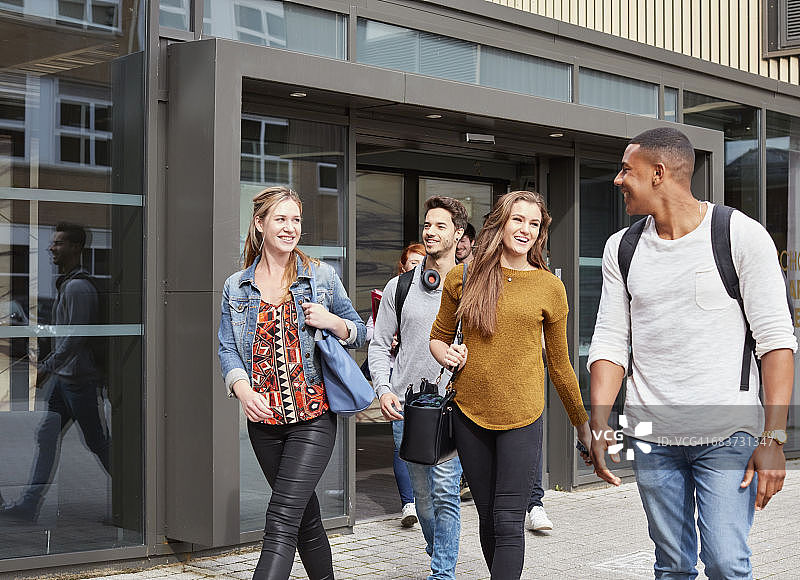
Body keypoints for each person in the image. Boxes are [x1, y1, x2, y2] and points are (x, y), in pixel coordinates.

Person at [587, 127, 796, 579]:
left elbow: (776, 342)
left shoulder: (739, 235)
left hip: (727, 433)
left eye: (626, 170)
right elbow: (610, 340)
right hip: (651, 434)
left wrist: (774, 438)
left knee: (726, 561)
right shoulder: (621, 249)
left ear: (658, 173)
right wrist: (600, 421)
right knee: (672, 565)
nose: (618, 180)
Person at [430, 191, 591, 579]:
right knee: (488, 517)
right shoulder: (463, 277)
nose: (525, 230)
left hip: (523, 416)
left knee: (507, 520)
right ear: (501, 223)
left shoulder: (549, 286)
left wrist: (583, 425)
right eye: (518, 220)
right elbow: (437, 337)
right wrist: (446, 354)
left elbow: (560, 364)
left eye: (534, 224)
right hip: (469, 415)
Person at [218, 186, 366, 580]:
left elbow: (362, 331)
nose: (290, 227)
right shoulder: (236, 287)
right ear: (260, 223)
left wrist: (333, 322)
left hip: (313, 419)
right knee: (305, 519)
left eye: (296, 219)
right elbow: (227, 349)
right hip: (264, 425)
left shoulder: (321, 277)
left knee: (281, 518)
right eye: (280, 219)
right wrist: (243, 390)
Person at [369, 196, 468, 580]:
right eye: (427, 225)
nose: (431, 232)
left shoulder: (473, 285)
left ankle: (442, 573)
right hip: (407, 407)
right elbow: (379, 344)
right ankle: (439, 548)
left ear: (458, 234)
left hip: (453, 407)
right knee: (423, 499)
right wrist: (383, 389)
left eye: (440, 226)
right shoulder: (400, 287)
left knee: (444, 494)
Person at [1, 223, 110, 523]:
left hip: (80, 383)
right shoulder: (68, 284)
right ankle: (29, 506)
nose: (51, 248)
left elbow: (76, 338)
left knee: (98, 443)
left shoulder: (78, 287)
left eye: (58, 243)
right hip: (65, 381)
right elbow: (65, 334)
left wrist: (46, 367)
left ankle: (134, 502)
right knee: (47, 436)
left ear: (75, 248)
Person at [364, 242, 424, 528]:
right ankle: (408, 503)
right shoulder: (394, 292)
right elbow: (372, 334)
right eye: (412, 263)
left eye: (421, 262)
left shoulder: (438, 292)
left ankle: (427, 501)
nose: (417, 268)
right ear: (403, 266)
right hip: (397, 380)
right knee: (402, 444)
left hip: (429, 385)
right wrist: (389, 339)